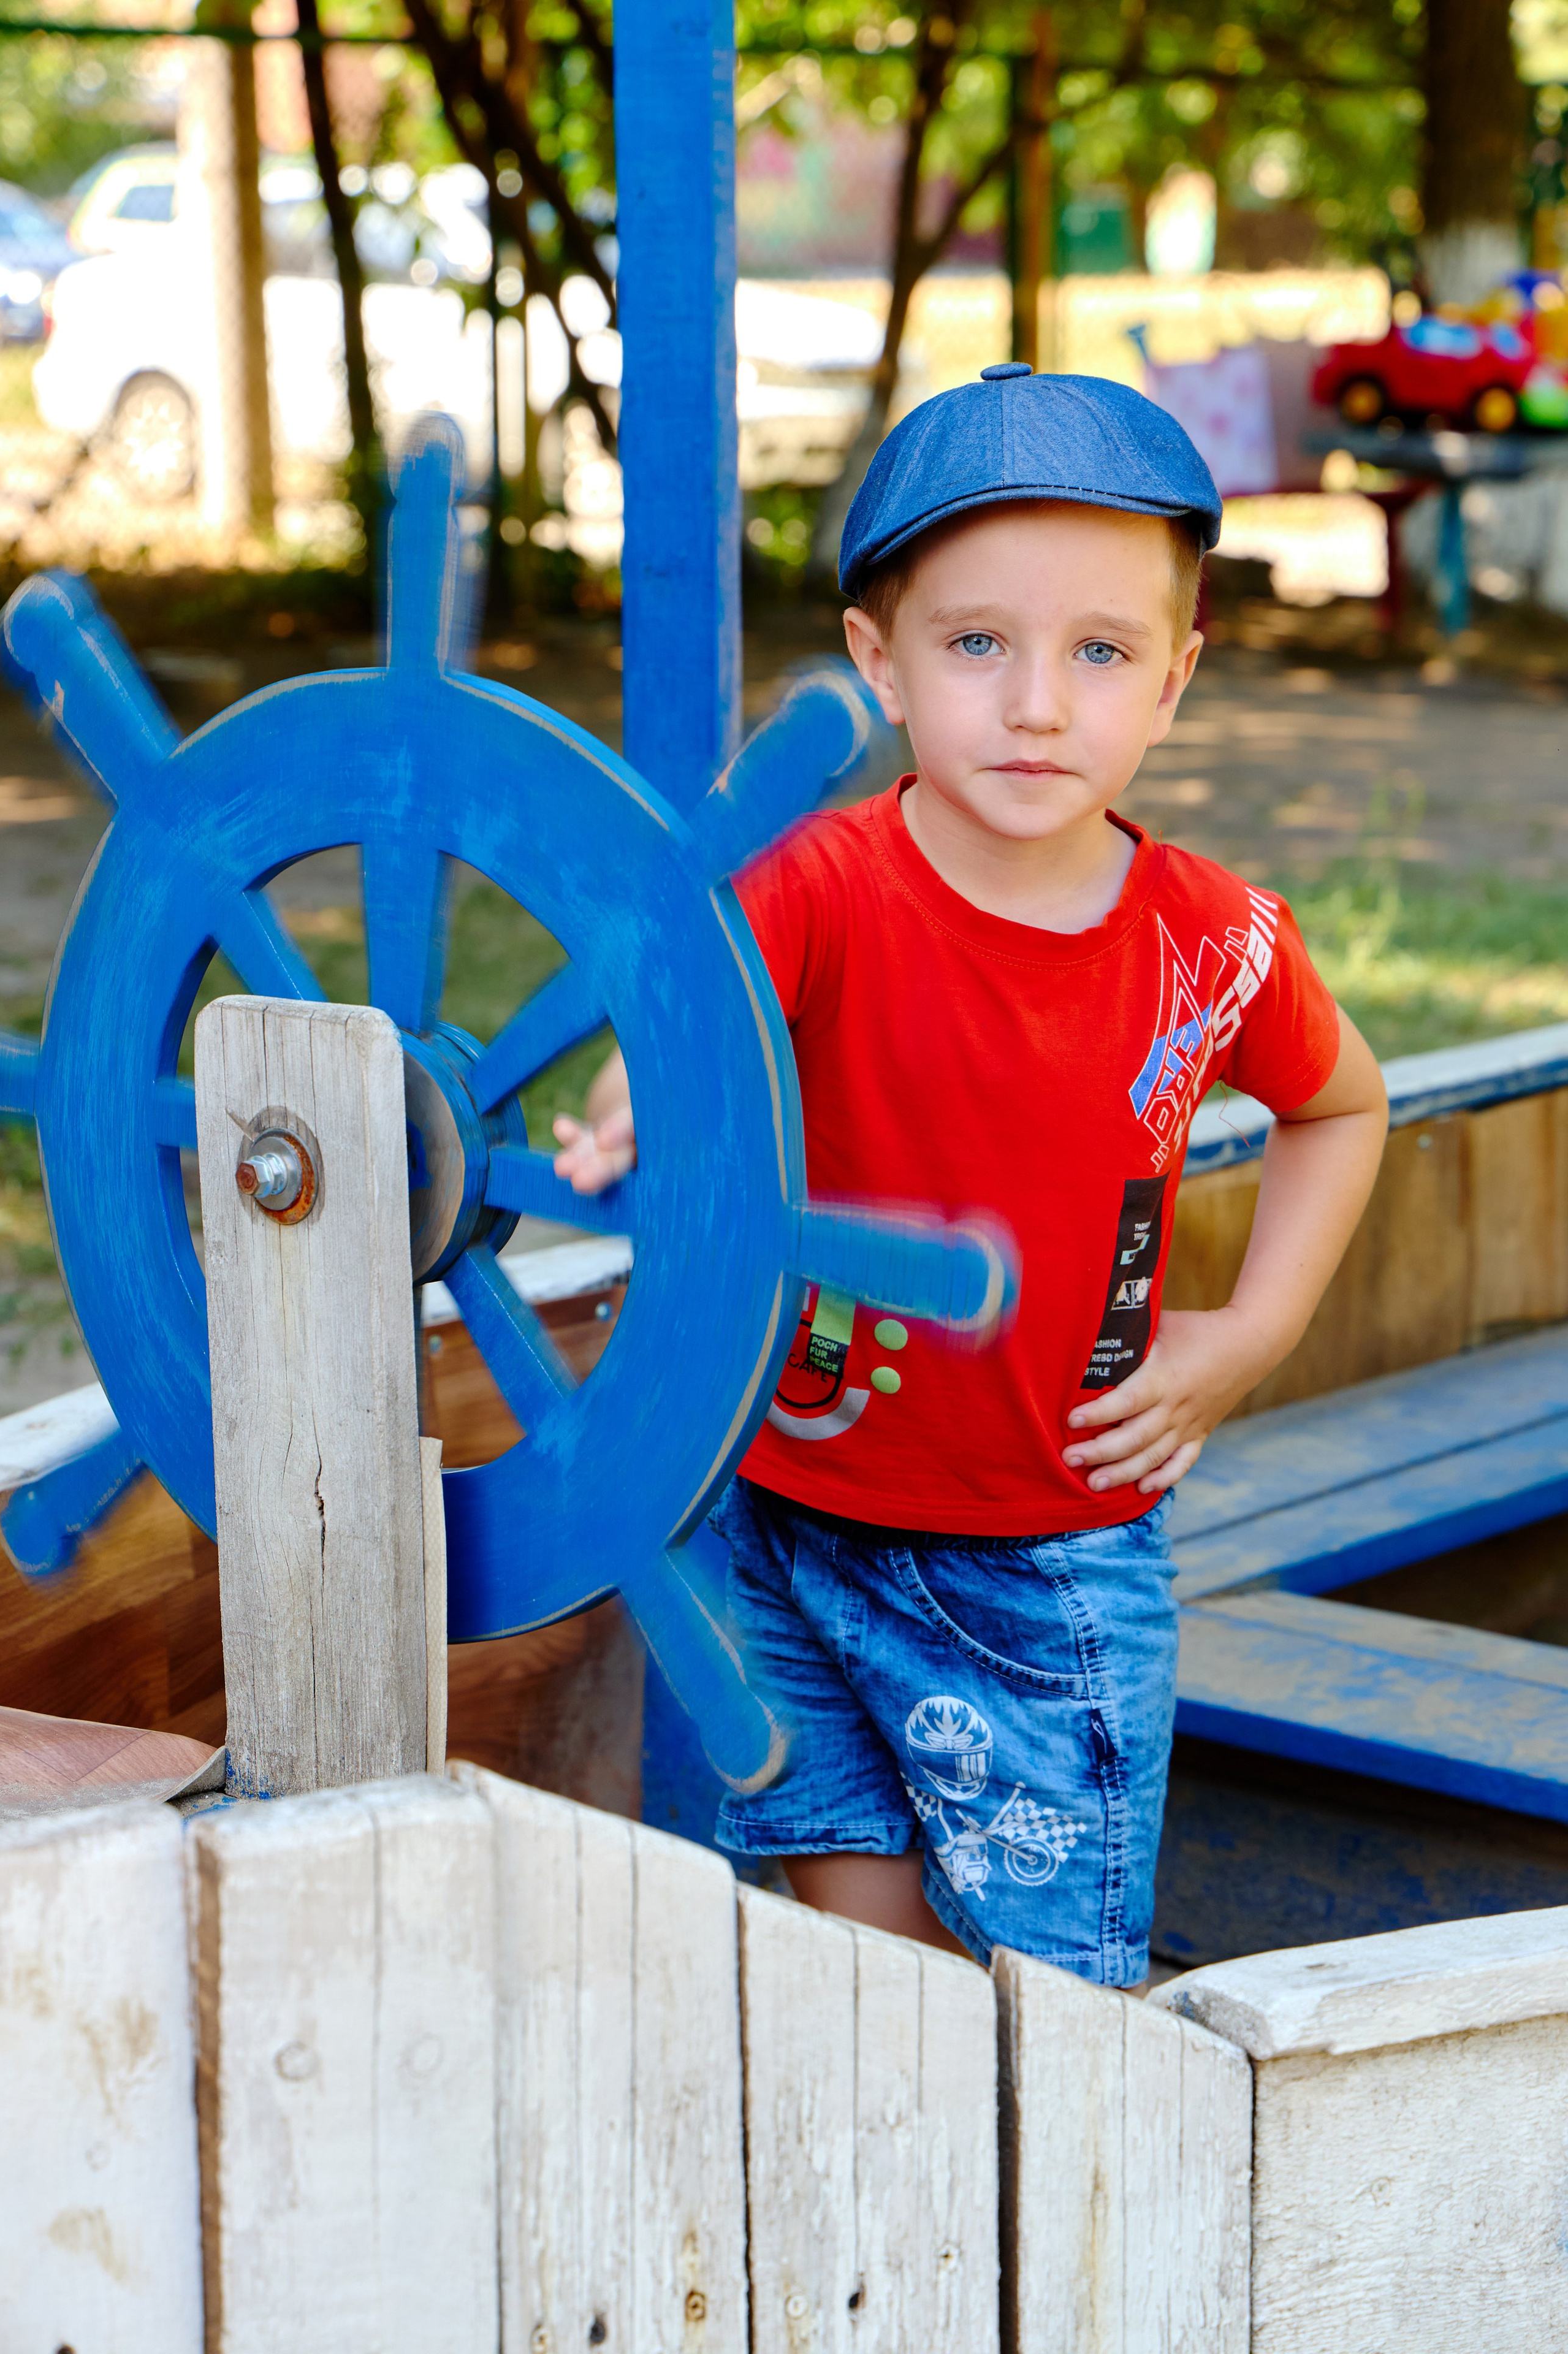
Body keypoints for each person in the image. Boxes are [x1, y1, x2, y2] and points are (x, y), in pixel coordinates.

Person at [554, 366, 1388, 1986]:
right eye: (977, 644)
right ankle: (914, 2225)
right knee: (871, 1973)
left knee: (1049, 2002)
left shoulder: (1211, 943)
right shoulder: (820, 886)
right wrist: (631, 1111)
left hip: (1044, 1566)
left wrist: (1258, 1327)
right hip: (778, 1523)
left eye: (1101, 652)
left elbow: (1342, 1107)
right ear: (882, 663)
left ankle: (1045, 2235)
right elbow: (681, 1027)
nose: (1036, 705)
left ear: (1176, 680)